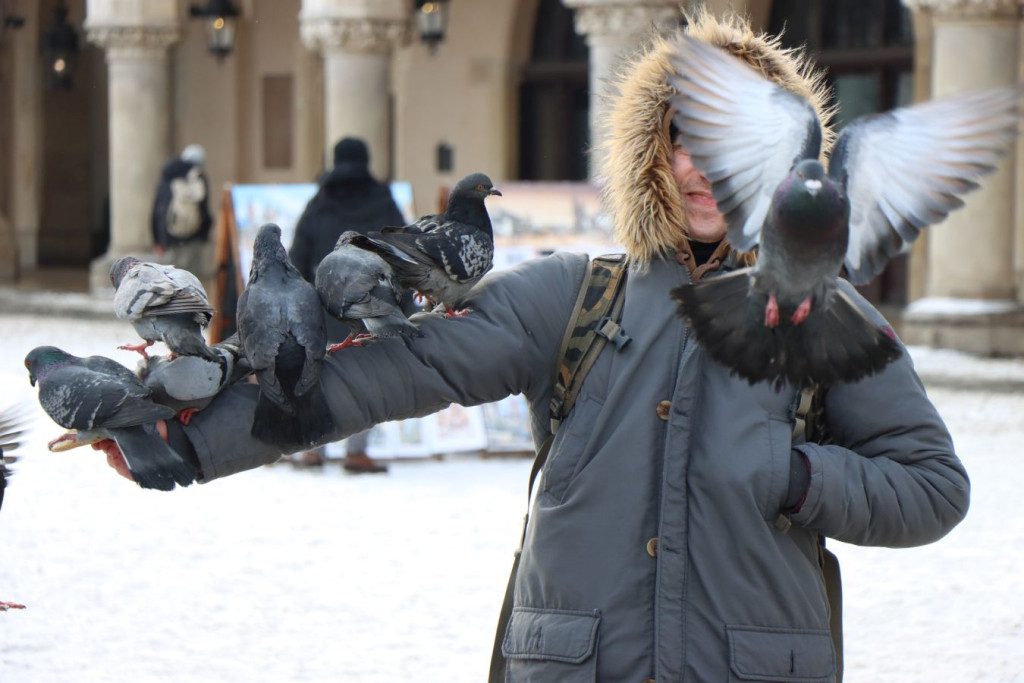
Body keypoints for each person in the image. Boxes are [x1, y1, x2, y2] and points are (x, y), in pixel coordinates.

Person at [96, 11, 969, 681]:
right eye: (681, 138)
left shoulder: (827, 317)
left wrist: (797, 476)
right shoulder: (575, 294)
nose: (703, 169)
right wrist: (190, 440)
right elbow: (403, 368)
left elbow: (933, 486)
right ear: (652, 155)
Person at [288, 137, 408, 474]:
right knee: (368, 381)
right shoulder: (383, 200)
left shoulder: (320, 202)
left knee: (321, 380)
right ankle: (357, 452)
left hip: (326, 310)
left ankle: (314, 449)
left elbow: (298, 257)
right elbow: (401, 252)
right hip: (372, 309)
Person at [151, 144, 213, 278]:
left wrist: (158, 239)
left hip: (169, 237)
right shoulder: (198, 177)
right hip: (193, 237)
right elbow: (203, 209)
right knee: (191, 280)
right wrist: (204, 234)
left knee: (169, 280)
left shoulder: (167, 177)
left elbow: (157, 210)